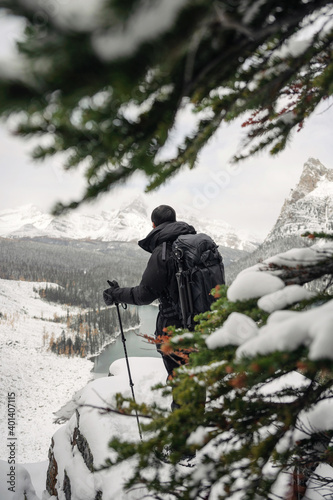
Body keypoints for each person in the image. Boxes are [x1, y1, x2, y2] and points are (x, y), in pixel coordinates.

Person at [103, 205, 195, 400]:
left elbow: (145, 295)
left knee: (181, 383)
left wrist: (116, 294)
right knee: (194, 380)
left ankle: (184, 427)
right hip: (201, 322)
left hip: (175, 329)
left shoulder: (164, 251)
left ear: (153, 224)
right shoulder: (194, 245)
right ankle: (195, 423)